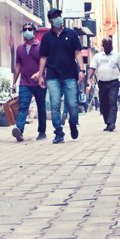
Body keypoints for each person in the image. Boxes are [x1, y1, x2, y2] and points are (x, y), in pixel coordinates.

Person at [35, 8, 85, 144]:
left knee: (72, 105)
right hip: (52, 75)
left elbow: (78, 53)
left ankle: (73, 123)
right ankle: (58, 132)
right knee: (55, 104)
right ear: (50, 21)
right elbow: (43, 58)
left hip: (69, 74)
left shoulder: (72, 34)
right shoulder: (46, 37)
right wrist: (40, 76)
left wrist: (82, 70)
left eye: (59, 15)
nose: (58, 18)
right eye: (55, 16)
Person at [11, 22, 46, 141]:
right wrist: (14, 82)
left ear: (34, 31)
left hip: (40, 82)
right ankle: (19, 130)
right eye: (25, 29)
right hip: (25, 82)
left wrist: (40, 74)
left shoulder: (41, 46)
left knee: (41, 107)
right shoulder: (20, 48)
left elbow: (46, 63)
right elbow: (17, 66)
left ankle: (42, 131)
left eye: (30, 29)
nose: (27, 31)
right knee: (23, 106)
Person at [88, 37, 120, 131]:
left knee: (112, 102)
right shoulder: (97, 56)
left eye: (109, 44)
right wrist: (88, 78)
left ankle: (112, 123)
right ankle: (108, 122)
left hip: (113, 83)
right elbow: (92, 68)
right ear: (102, 45)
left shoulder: (117, 56)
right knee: (104, 104)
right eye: (106, 44)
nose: (108, 46)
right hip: (102, 83)